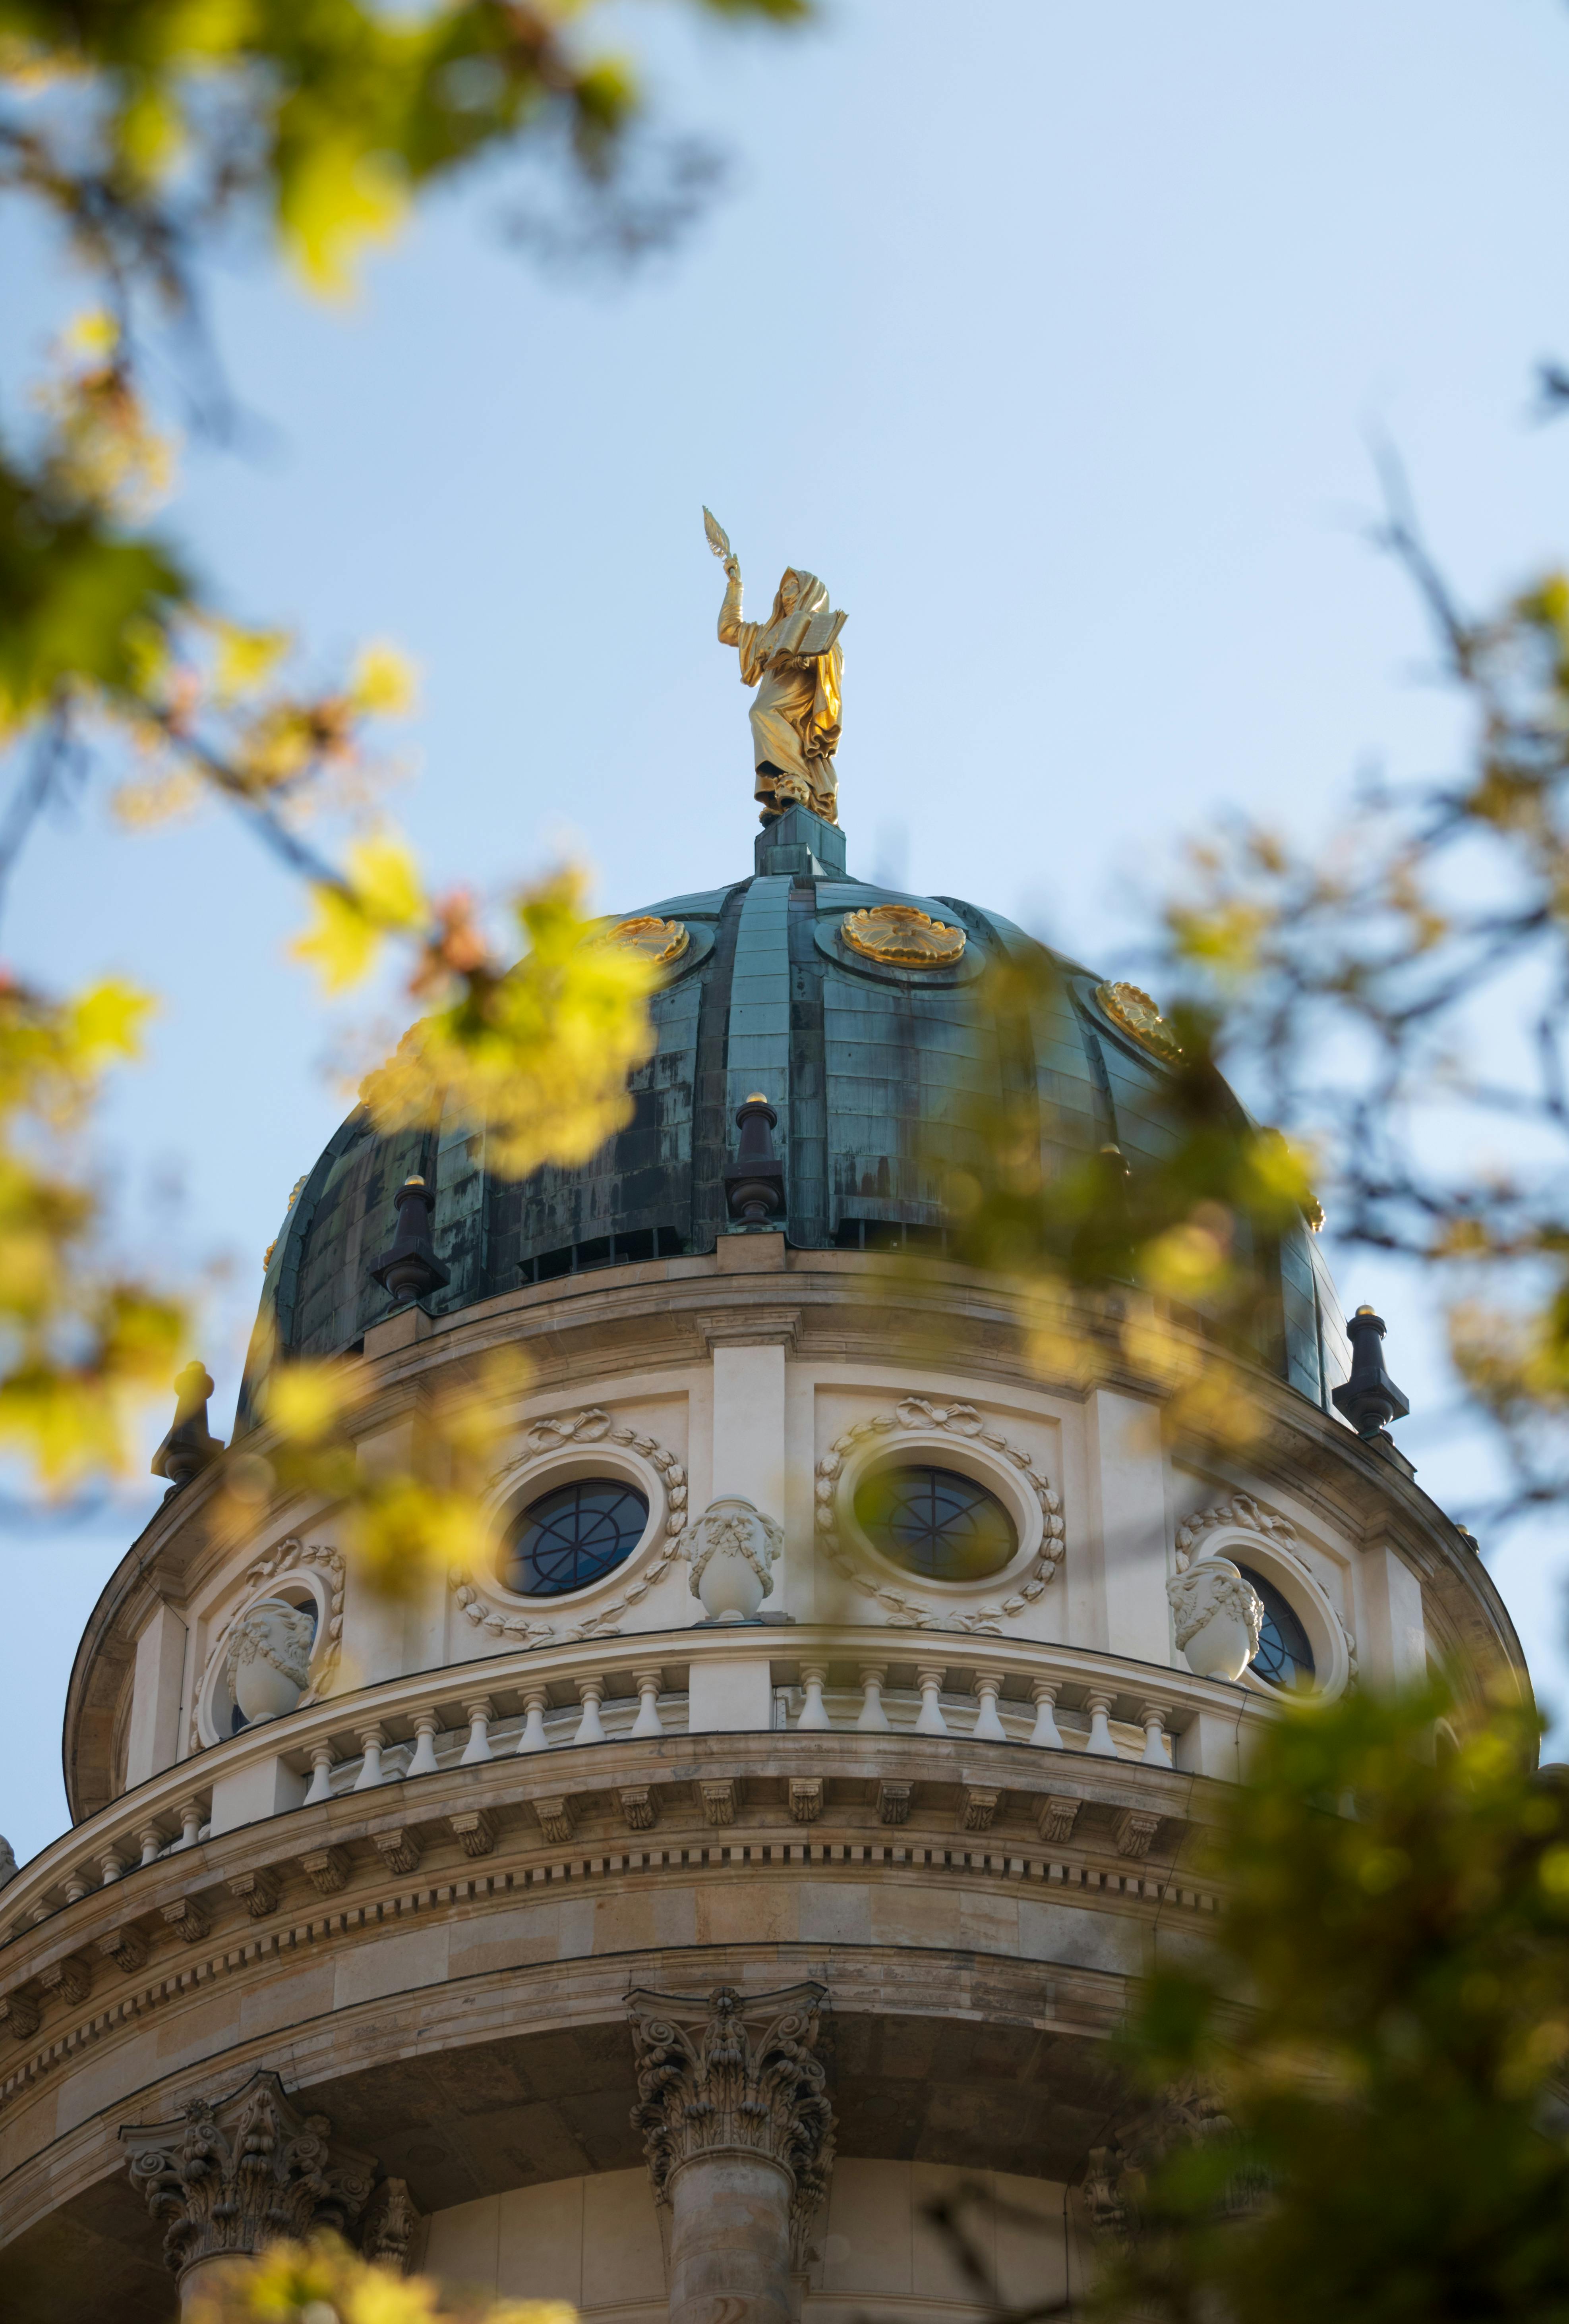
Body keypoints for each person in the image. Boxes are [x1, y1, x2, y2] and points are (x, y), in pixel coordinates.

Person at [717, 554, 845, 825]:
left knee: (762, 713)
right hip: (775, 684)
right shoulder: (768, 631)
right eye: (783, 590)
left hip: (799, 690)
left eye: (792, 588)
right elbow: (728, 631)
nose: (786, 595)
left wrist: (810, 659)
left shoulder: (816, 625)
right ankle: (789, 787)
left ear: (810, 593)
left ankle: (802, 781)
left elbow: (832, 655)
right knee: (763, 715)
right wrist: (734, 586)